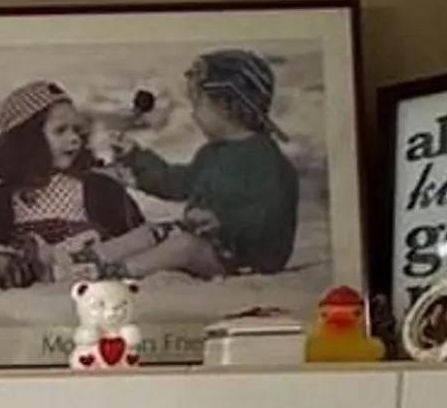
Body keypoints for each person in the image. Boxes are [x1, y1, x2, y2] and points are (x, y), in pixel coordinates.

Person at [106, 48, 303, 278]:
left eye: (198, 105)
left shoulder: (266, 160)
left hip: (246, 257)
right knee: (154, 231)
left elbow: (267, 214)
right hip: (212, 246)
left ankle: (120, 273)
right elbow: (178, 184)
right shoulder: (211, 153)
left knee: (184, 246)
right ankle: (93, 258)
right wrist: (135, 157)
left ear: (227, 105)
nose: (193, 114)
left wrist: (222, 221)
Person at [0, 81, 145, 289]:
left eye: (77, 130)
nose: (74, 139)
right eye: (60, 131)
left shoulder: (101, 189)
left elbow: (136, 240)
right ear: (29, 140)